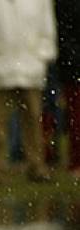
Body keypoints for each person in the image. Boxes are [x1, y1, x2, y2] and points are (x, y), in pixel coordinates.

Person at [0, 0, 57, 184]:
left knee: (33, 122)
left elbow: (47, 32)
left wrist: (40, 56)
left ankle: (37, 166)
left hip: (30, 70)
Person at [56, 0, 80, 175]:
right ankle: (76, 162)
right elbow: (63, 34)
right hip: (74, 69)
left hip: (72, 66)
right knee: (76, 118)